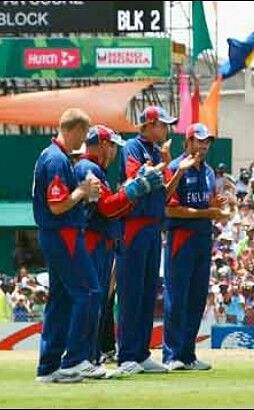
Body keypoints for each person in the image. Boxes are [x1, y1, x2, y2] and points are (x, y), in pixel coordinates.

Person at [115, 106, 195, 375]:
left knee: (148, 294)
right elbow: (137, 179)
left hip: (152, 226)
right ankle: (126, 354)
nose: (166, 129)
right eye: (162, 124)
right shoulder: (133, 147)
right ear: (149, 124)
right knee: (131, 293)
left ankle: (141, 352)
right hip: (134, 226)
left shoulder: (153, 150)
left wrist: (177, 169)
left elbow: (164, 193)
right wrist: (164, 162)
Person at [74, 125, 161, 367]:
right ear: (103, 144)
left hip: (101, 241)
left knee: (99, 303)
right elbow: (107, 208)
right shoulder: (88, 168)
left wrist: (130, 192)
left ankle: (92, 358)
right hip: (92, 241)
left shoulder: (95, 169)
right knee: (93, 302)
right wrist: (133, 189)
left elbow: (112, 208)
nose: (114, 152)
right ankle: (85, 358)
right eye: (112, 146)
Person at [32, 109, 103, 383]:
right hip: (63, 233)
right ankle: (74, 360)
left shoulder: (52, 157)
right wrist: (82, 192)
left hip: (57, 234)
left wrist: (83, 195)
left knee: (61, 299)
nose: (83, 141)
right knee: (88, 291)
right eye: (83, 134)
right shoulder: (56, 159)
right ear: (73, 129)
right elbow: (58, 205)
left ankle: (48, 366)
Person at [163, 123, 230, 371]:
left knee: (196, 299)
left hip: (203, 238)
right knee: (176, 298)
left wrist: (214, 204)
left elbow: (206, 203)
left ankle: (188, 354)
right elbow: (169, 208)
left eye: (207, 142)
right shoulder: (175, 168)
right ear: (188, 142)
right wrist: (206, 212)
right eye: (199, 141)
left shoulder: (209, 171)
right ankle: (172, 356)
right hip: (181, 238)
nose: (203, 146)